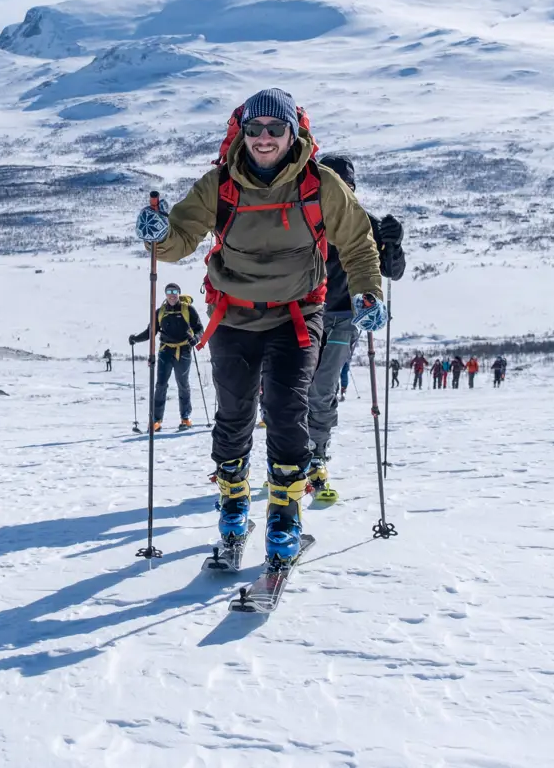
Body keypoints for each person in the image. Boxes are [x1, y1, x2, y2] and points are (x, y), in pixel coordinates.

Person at [134, 88, 385, 566]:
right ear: (242, 132)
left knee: (288, 412)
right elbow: (180, 239)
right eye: (255, 129)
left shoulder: (320, 184)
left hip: (297, 314)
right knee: (233, 414)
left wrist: (367, 293)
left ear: (293, 133)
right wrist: (159, 235)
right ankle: (232, 509)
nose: (264, 137)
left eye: (275, 128)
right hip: (234, 314)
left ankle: (284, 515)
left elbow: (357, 244)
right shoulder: (219, 184)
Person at [306, 154, 406, 488]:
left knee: (322, 388)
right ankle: (291, 454)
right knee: (293, 387)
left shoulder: (367, 222)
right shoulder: (306, 218)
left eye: (346, 186)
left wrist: (394, 243)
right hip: (303, 313)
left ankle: (316, 453)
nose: (340, 191)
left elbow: (392, 271)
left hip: (344, 317)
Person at [130, 282, 203, 431]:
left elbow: (199, 329)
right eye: (169, 291)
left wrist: (195, 339)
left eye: (175, 291)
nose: (172, 294)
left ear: (179, 293)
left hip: (183, 350)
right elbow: (150, 332)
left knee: (183, 385)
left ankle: (185, 418)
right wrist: (135, 339)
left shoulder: (188, 310)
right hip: (165, 351)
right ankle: (156, 421)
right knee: (161, 385)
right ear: (165, 294)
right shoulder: (160, 312)